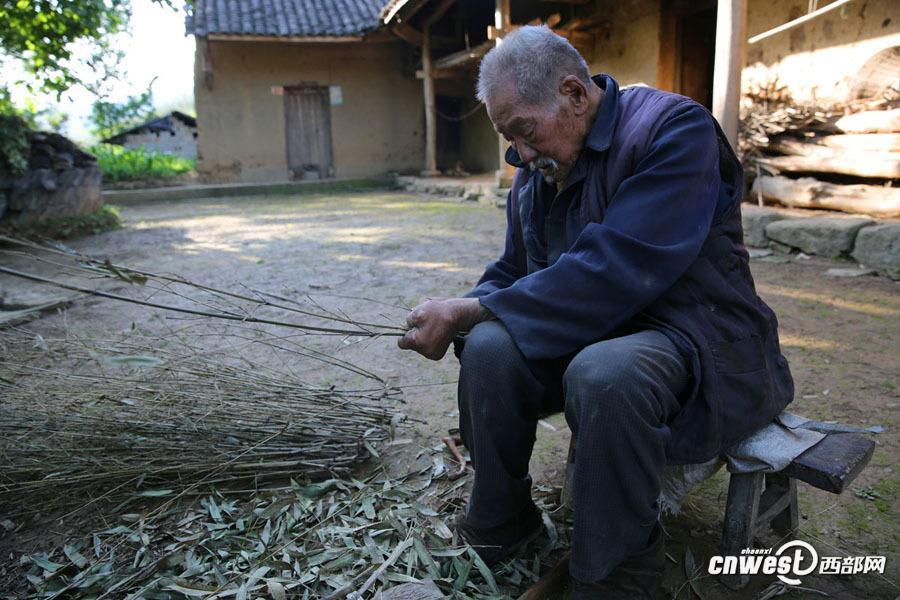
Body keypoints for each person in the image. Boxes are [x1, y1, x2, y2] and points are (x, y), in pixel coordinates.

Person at [397, 25, 793, 599]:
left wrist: (474, 308)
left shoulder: (674, 131)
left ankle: (618, 574)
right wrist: (466, 311)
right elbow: (514, 271)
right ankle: (503, 519)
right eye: (510, 140)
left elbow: (617, 267)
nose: (521, 154)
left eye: (525, 132)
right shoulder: (537, 168)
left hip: (694, 334)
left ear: (574, 94)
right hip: (589, 332)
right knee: (487, 348)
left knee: (605, 372)